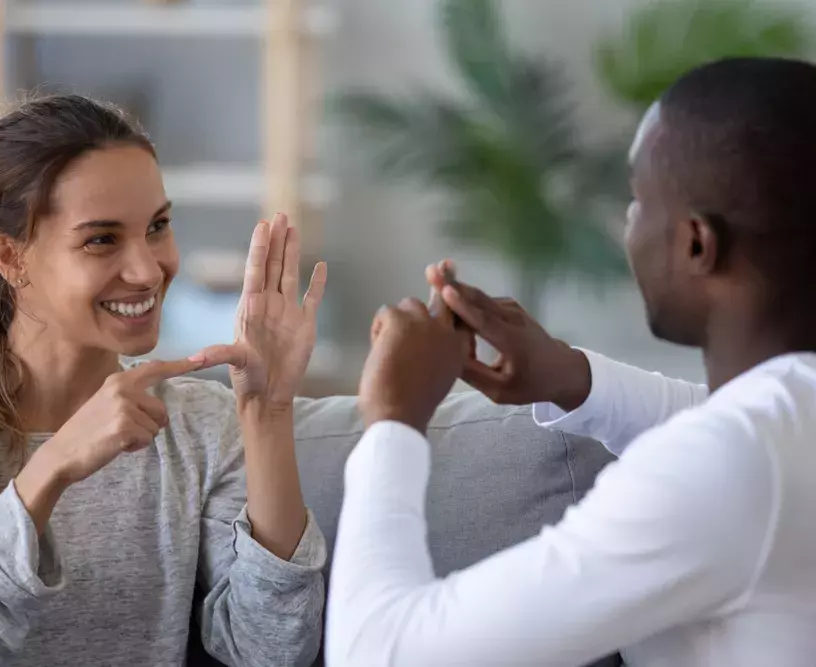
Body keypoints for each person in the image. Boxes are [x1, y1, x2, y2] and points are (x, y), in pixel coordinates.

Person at [326, 57, 816, 666]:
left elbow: (378, 652)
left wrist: (393, 419)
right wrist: (568, 376)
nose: (627, 225)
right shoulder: (787, 420)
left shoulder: (728, 465)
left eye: (638, 202)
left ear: (696, 243)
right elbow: (725, 420)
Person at [0, 94, 328, 667]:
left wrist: (268, 416)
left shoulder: (198, 422)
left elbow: (271, 652)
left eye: (158, 226)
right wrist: (51, 468)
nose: (148, 270)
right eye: (101, 239)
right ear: (9, 257)